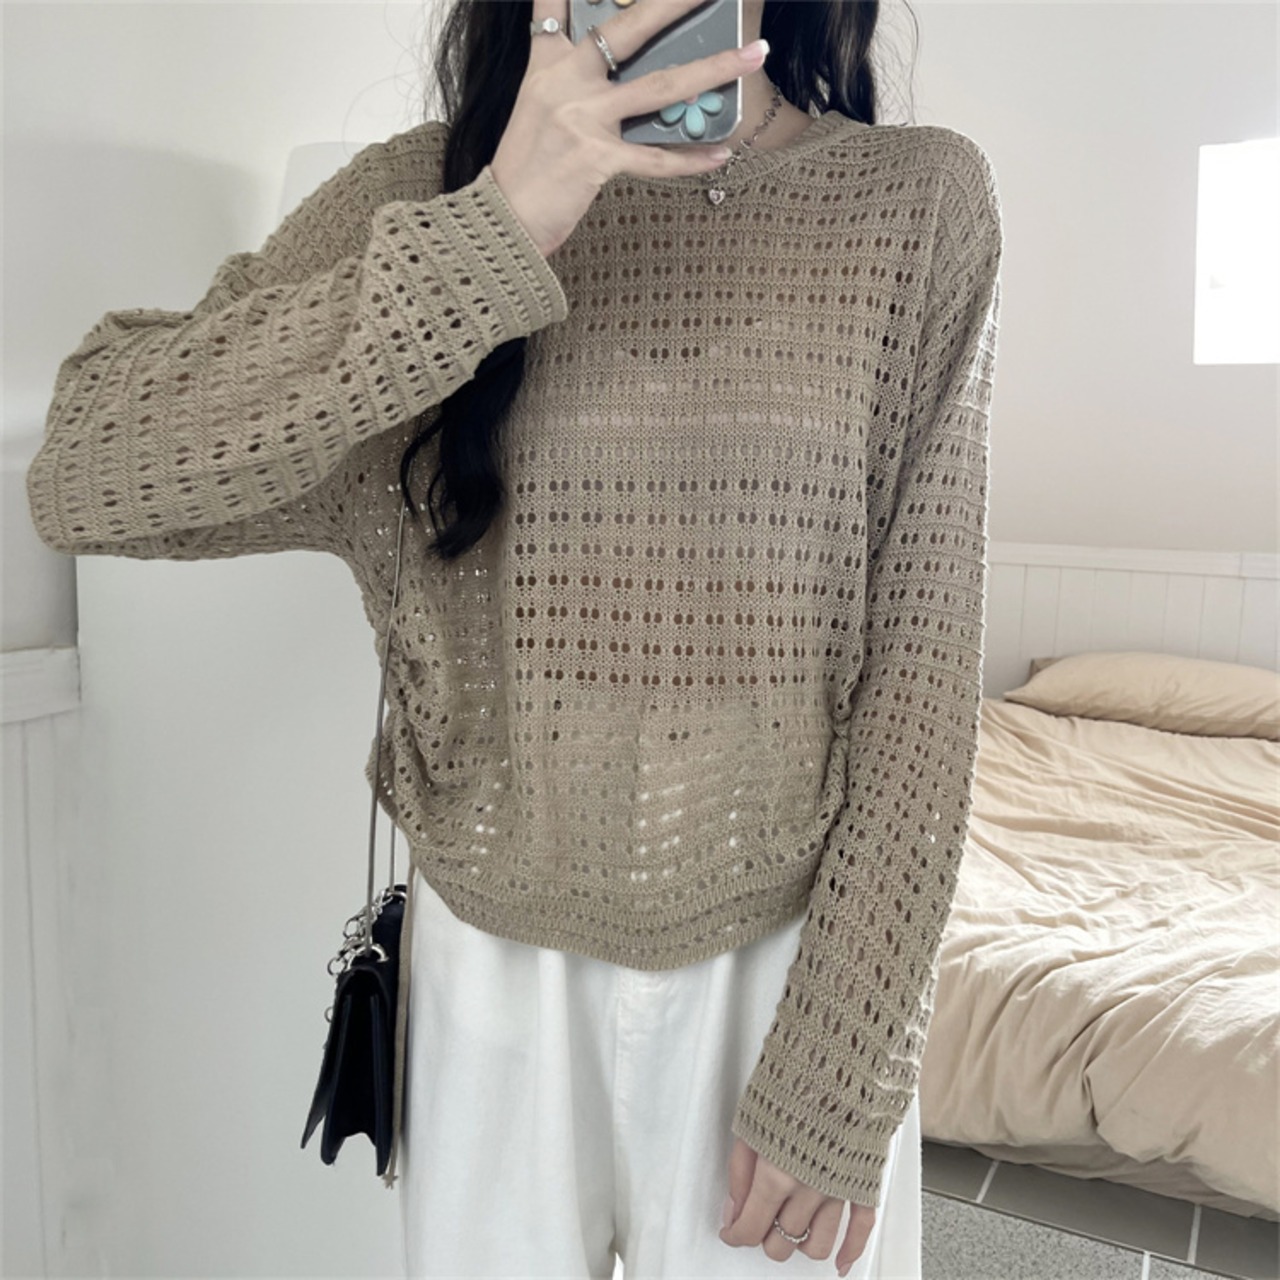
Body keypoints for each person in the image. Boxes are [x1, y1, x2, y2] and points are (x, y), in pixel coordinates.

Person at [25, 0, 1004, 1274]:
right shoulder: (428, 190)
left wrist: (847, 1055)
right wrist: (492, 228)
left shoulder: (914, 201)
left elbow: (923, 673)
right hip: (489, 966)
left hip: (784, 961)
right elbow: (86, 470)